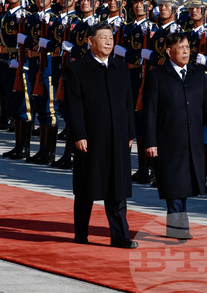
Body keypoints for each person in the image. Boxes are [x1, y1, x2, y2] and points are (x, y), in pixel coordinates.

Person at [142, 32, 207, 241]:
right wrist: (150, 142)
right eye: (181, 48)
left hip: (192, 139)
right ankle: (179, 228)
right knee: (173, 183)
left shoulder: (198, 74)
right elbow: (149, 111)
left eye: (188, 47)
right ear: (169, 52)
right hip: (168, 139)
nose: (186, 51)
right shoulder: (157, 75)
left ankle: (177, 226)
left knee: (185, 184)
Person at [65, 22, 137, 249]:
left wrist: (130, 133)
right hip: (91, 138)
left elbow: (128, 104)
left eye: (111, 38)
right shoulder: (77, 69)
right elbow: (73, 106)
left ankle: (120, 237)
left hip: (117, 139)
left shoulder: (120, 69)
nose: (109, 41)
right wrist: (79, 134)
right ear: (90, 41)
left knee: (117, 189)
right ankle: (81, 233)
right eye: (104, 37)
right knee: (87, 187)